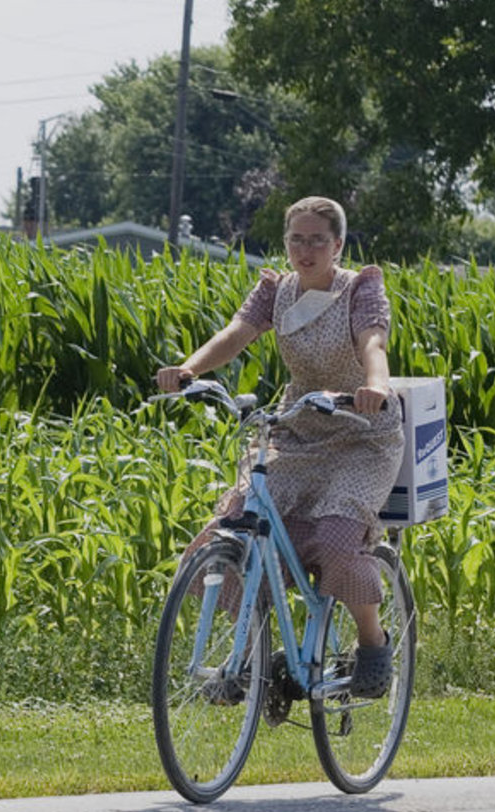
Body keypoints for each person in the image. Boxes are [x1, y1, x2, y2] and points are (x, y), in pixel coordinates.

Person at [155, 196, 404, 698]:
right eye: (296, 239)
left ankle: (372, 643)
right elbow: (236, 333)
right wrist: (189, 369)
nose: (305, 250)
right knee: (240, 528)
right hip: (298, 425)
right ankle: (249, 659)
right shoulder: (277, 290)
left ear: (337, 244)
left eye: (318, 241)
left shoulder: (359, 288)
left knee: (336, 541)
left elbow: (373, 343)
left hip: (361, 432)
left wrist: (375, 385)